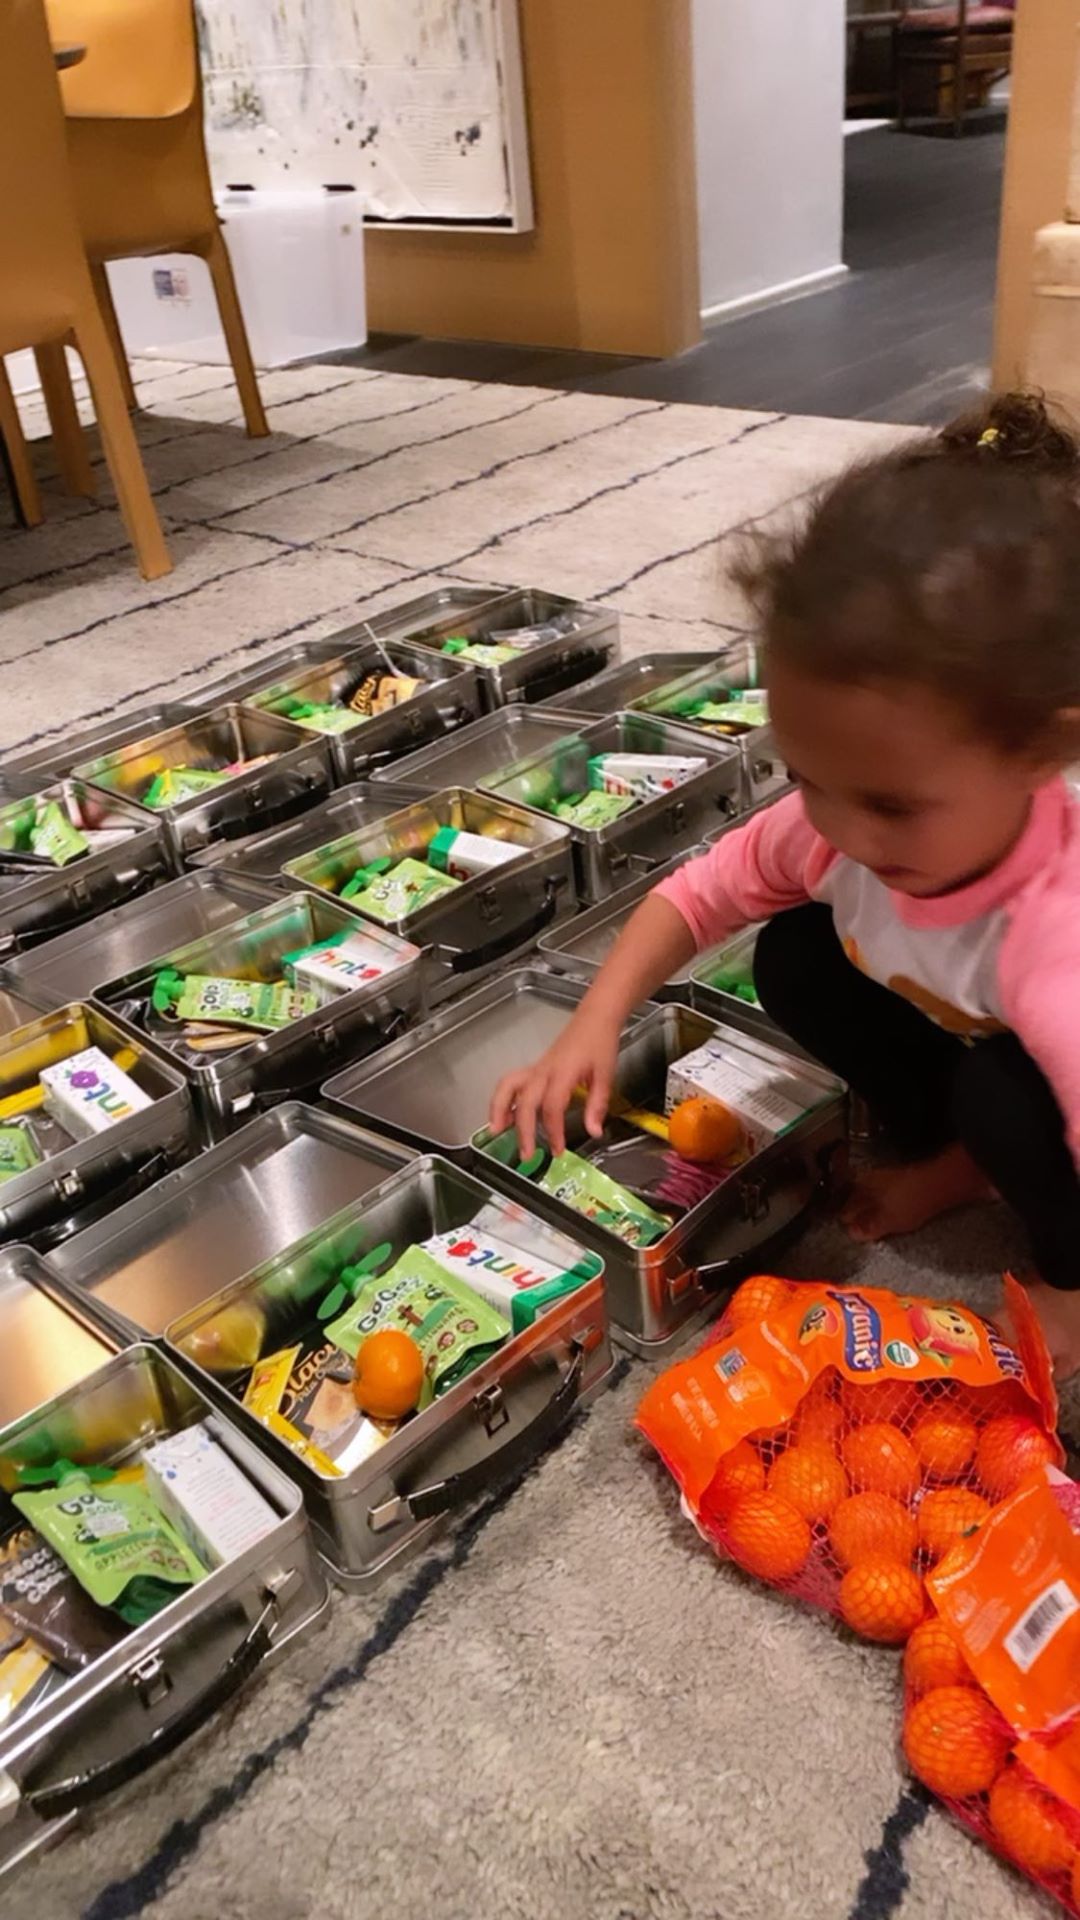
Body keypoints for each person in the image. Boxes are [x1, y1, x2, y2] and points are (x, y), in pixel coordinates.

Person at [491, 394, 1080, 1380]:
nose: (841, 832)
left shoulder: (1059, 938)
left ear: (1041, 756)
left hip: (1041, 1063)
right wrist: (594, 1022)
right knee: (794, 953)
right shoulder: (841, 826)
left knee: (1009, 1100)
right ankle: (956, 1153)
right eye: (807, 778)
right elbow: (695, 897)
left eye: (890, 805)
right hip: (975, 1024)